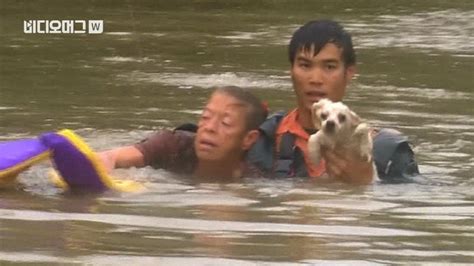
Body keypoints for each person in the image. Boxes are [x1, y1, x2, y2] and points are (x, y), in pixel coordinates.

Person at [247, 19, 419, 184]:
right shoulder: (261, 140)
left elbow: (411, 202)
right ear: (291, 71)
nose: (315, 79)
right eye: (305, 65)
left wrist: (367, 182)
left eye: (329, 67)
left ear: (349, 73)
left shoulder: (386, 151)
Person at [99, 86, 268, 179]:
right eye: (206, 117)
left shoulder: (253, 180)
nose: (209, 128)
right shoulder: (172, 147)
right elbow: (111, 157)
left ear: (248, 139)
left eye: (225, 123)